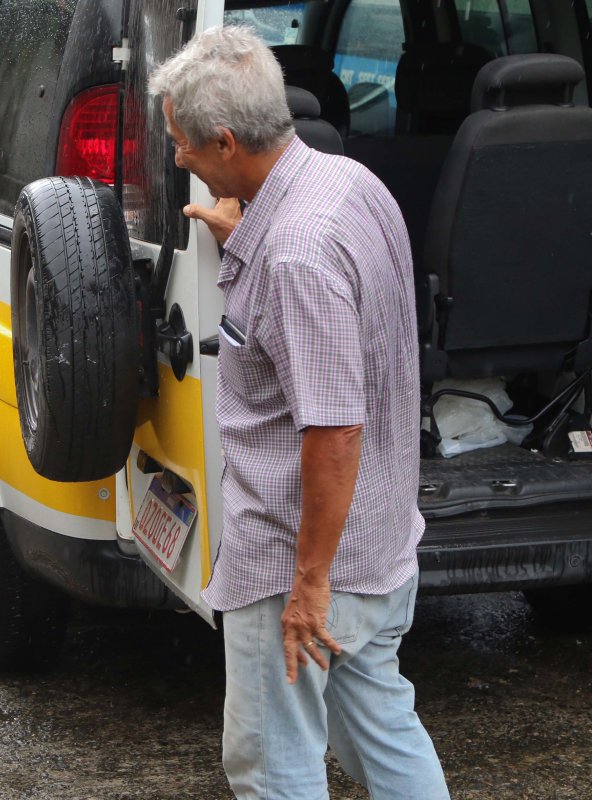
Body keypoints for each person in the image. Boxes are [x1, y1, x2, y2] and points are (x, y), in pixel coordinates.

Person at [150, 27, 449, 799]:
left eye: (182, 145)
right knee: (382, 735)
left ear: (224, 142)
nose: (177, 157)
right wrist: (244, 232)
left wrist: (308, 585)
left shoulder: (295, 254)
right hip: (377, 549)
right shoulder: (347, 182)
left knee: (273, 768)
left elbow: (335, 427)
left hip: (303, 569)